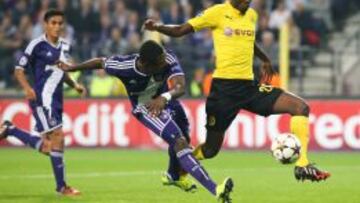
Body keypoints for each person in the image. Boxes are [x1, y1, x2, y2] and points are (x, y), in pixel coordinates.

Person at [143, 0, 331, 182]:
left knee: (300, 107)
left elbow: (248, 41)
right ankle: (177, 171)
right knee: (210, 150)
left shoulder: (251, 15)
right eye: (243, 0)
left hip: (249, 87)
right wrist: (158, 27)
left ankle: (303, 164)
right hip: (223, 92)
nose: (247, 2)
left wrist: (264, 58)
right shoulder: (216, 13)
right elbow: (180, 30)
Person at [58, 40, 234, 203]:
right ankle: (216, 190)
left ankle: (173, 176)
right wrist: (73, 68)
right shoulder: (124, 66)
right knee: (179, 142)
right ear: (147, 65)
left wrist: (164, 98)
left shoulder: (167, 57)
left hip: (167, 100)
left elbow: (180, 87)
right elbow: (100, 62)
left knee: (184, 140)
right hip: (145, 107)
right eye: (159, 62)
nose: (165, 63)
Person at [0, 9, 85, 195]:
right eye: (53, 23)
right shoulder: (36, 45)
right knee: (58, 137)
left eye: (60, 23)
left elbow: (61, 71)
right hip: (41, 99)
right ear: (45, 24)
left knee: (49, 148)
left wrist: (75, 84)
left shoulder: (65, 45)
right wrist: (27, 89)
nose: (57, 26)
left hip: (56, 101)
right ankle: (62, 187)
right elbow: (18, 70)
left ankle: (10, 129)